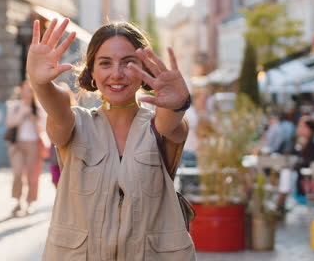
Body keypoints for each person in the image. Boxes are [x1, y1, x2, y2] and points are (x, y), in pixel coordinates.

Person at [26, 18, 195, 260]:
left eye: (128, 63)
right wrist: (40, 84)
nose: (117, 74)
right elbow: (60, 104)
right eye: (105, 63)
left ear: (144, 69)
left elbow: (171, 122)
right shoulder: (74, 124)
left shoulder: (158, 126)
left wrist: (179, 104)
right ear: (92, 71)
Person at [5, 80, 48, 215]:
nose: (26, 92)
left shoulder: (39, 107)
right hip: (17, 144)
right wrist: (22, 114)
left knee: (32, 175)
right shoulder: (16, 106)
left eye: (29, 90)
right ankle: (18, 202)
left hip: (34, 144)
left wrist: (32, 116)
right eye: (24, 89)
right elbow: (9, 123)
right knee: (17, 173)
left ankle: (30, 203)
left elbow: (43, 127)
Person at [49, 82, 78, 188]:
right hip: (55, 150)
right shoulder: (51, 111)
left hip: (71, 151)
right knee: (57, 180)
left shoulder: (76, 112)